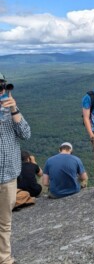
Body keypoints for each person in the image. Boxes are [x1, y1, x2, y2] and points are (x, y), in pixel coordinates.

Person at [0, 74, 31, 264]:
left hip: (8, 175)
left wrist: (13, 109)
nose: (2, 91)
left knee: (4, 222)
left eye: (2, 87)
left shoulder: (11, 111)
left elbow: (26, 134)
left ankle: (4, 258)